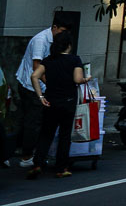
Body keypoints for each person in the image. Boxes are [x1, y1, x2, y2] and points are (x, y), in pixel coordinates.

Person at [27, 32, 87, 179]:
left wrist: (40, 96)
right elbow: (78, 79)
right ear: (69, 45)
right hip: (68, 102)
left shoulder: (48, 60)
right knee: (64, 135)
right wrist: (87, 78)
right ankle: (61, 168)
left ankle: (37, 164)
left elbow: (34, 76)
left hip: (50, 101)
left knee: (46, 133)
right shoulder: (75, 60)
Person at [14, 17, 68, 167]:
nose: (62, 35)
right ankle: (26, 157)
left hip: (36, 84)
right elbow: (36, 66)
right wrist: (51, 85)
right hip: (31, 86)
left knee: (28, 120)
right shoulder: (41, 40)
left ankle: (19, 151)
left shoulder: (53, 41)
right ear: (54, 27)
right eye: (61, 31)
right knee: (33, 121)